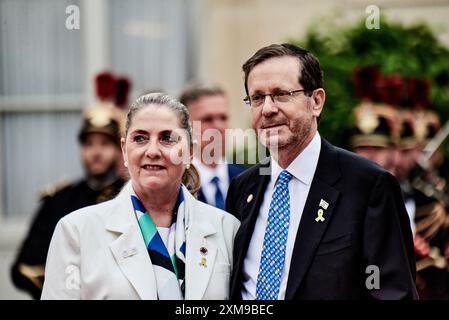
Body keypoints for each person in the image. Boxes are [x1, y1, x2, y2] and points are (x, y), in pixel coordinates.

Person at [226, 43, 418, 300]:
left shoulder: (369, 185)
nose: (268, 109)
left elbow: (394, 294)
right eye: (257, 98)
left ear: (316, 101)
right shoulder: (242, 188)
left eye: (281, 94)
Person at [41, 93, 240, 300]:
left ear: (190, 152)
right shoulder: (77, 231)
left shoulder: (227, 229)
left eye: (167, 138)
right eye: (140, 138)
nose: (152, 151)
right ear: (124, 151)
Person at [11, 105, 126, 299]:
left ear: (118, 149)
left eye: (105, 143)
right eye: (89, 144)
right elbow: (24, 267)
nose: (96, 152)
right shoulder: (58, 201)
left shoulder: (130, 196)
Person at [179, 85, 246, 210]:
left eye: (223, 118)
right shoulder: (176, 184)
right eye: (207, 119)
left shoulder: (248, 180)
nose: (219, 126)